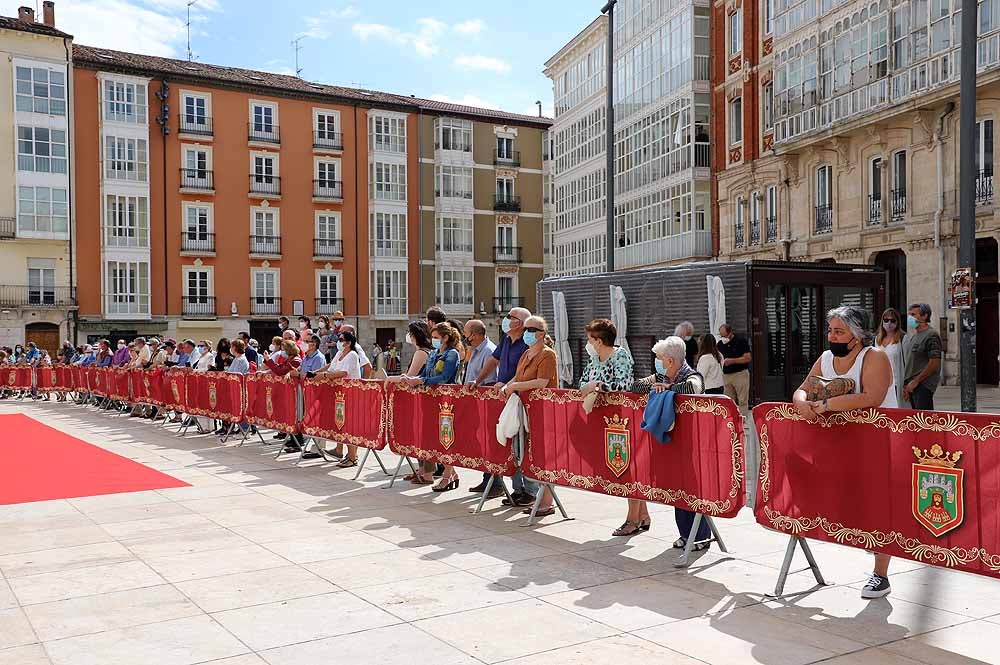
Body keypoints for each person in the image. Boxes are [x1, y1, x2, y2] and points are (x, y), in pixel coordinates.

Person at [792, 305, 896, 599]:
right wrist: (801, 403)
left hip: (875, 443)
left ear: (858, 335)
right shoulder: (826, 358)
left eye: (839, 331)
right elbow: (803, 389)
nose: (832, 336)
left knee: (878, 506)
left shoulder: (873, 357)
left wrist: (826, 405)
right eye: (830, 330)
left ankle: (881, 574)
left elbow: (872, 397)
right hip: (838, 444)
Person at [631, 336, 708, 545]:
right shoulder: (661, 375)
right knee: (676, 485)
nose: (657, 362)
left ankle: (701, 536)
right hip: (672, 442)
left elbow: (694, 388)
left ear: (671, 361)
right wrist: (654, 386)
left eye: (659, 358)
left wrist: (668, 389)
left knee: (692, 486)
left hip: (693, 443)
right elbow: (636, 386)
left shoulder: (691, 375)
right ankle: (685, 534)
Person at [468, 307, 531, 499]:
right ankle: (517, 489)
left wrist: (507, 384)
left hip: (521, 397)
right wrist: (477, 380)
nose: (505, 319)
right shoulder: (505, 339)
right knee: (508, 440)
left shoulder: (527, 343)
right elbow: (493, 361)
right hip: (505, 396)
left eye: (509, 317)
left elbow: (523, 371)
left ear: (519, 323)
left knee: (522, 442)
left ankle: (528, 490)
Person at [501, 315, 558, 515]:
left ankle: (546, 502)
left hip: (542, 411)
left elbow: (542, 382)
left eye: (531, 329)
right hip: (523, 410)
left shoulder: (548, 355)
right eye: (526, 329)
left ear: (541, 334)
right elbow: (518, 375)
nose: (527, 333)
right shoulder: (526, 354)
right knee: (523, 452)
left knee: (542, 454)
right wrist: (508, 385)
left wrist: (516, 385)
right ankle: (526, 493)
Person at [404, 322, 462, 490]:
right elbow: (426, 373)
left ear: (446, 337)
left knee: (447, 439)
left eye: (437, 337)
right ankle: (452, 474)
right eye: (432, 337)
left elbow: (444, 377)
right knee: (436, 439)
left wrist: (422, 380)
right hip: (431, 401)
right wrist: (412, 379)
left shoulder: (452, 354)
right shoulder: (435, 352)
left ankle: (446, 476)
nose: (434, 340)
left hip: (447, 402)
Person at [322, 330, 363, 467]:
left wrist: (326, 377)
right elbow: (331, 368)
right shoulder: (339, 354)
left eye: (341, 339)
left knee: (350, 426)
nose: (338, 341)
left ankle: (353, 457)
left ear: (349, 342)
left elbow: (343, 373)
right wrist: (317, 373)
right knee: (341, 423)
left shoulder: (352, 355)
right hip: (339, 394)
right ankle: (343, 452)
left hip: (351, 394)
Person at [264, 338, 304, 452]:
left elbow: (280, 371)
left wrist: (269, 360)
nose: (282, 351)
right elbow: (279, 368)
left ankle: (298, 440)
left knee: (296, 415)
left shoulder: (295, 360)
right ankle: (292, 438)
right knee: (290, 414)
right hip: (288, 392)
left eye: (283, 349)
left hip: (295, 392)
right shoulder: (290, 359)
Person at [902, 303, 942, 410]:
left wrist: (916, 381)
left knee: (924, 420)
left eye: (913, 314)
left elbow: (934, 363)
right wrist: (906, 385)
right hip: (912, 386)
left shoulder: (931, 335)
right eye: (909, 314)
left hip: (923, 386)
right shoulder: (915, 336)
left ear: (925, 316)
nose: (910, 317)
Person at [718, 324, 752, 414]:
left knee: (742, 400)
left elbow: (747, 358)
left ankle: (743, 421)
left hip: (740, 374)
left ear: (730, 333)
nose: (723, 338)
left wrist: (732, 361)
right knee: (728, 401)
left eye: (724, 336)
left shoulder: (740, 341)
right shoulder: (720, 344)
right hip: (726, 375)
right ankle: (730, 421)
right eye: (721, 336)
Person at [875, 308, 906, 406]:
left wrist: (906, 385)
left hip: (896, 383)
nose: (889, 323)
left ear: (897, 322)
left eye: (893, 321)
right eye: (886, 320)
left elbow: (908, 362)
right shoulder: (876, 339)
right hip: (879, 383)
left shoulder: (903, 338)